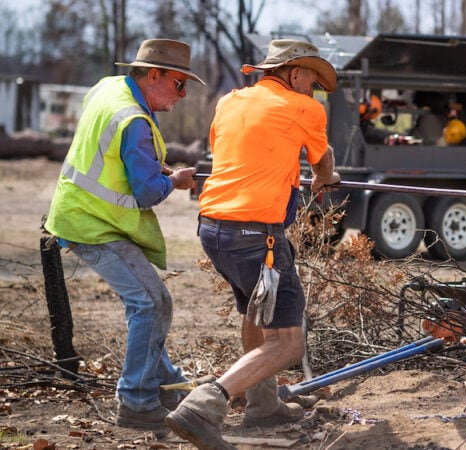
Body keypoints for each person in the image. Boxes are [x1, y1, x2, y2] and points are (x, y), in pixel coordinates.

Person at [165, 39, 340, 449]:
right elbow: (322, 159)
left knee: (256, 311)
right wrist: (325, 177)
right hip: (255, 234)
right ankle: (206, 404)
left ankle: (264, 404)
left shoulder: (231, 101)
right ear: (295, 74)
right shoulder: (303, 108)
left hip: (213, 228)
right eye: (313, 82)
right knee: (287, 342)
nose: (314, 92)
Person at [43, 39, 205, 432]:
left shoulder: (107, 88)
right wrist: (176, 181)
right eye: (179, 84)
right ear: (154, 75)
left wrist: (154, 166)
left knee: (151, 302)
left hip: (80, 214)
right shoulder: (134, 120)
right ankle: (135, 401)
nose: (182, 95)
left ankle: (165, 383)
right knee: (151, 302)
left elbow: (112, 151)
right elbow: (147, 192)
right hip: (92, 224)